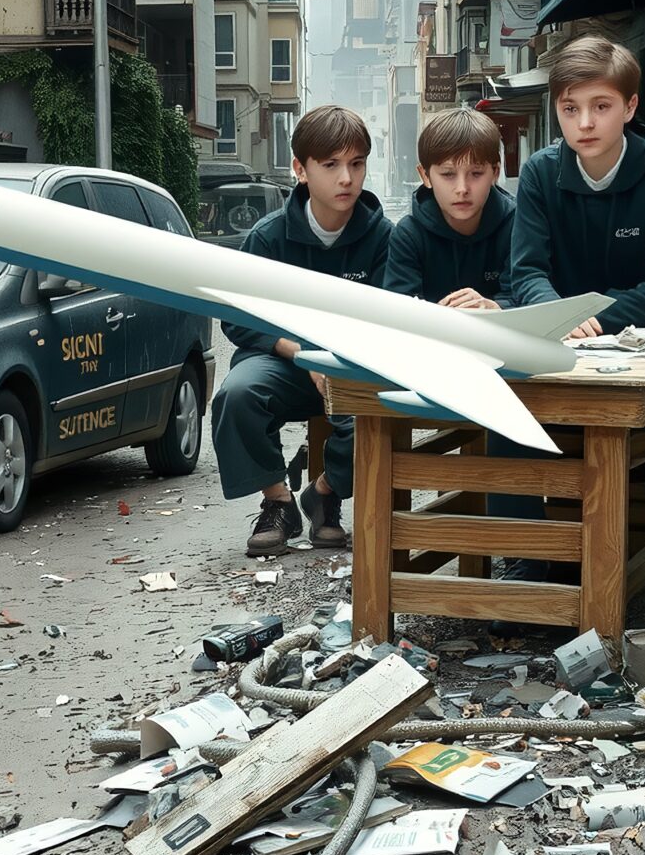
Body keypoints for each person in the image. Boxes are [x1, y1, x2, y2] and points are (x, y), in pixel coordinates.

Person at [494, 36, 645, 587]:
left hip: (637, 347)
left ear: (630, 108)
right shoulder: (538, 173)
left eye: (601, 106)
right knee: (502, 410)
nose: (585, 122)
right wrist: (560, 313)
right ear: (555, 109)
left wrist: (596, 315)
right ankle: (526, 554)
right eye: (570, 108)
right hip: (554, 339)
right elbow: (525, 271)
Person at [210, 105, 393, 556]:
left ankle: (325, 494)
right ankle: (279, 502)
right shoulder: (267, 238)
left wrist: (339, 359)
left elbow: (393, 317)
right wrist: (304, 354)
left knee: (377, 411)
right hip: (282, 364)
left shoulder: (383, 237)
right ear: (300, 169)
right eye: (330, 165)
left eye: (356, 164)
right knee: (235, 396)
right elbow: (237, 318)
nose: (346, 178)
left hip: (354, 364)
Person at [383, 108, 515, 311]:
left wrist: (496, 308)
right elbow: (399, 312)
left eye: (476, 173)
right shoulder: (408, 235)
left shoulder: (517, 226)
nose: (462, 189)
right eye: (448, 174)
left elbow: (528, 295)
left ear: (495, 173)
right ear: (425, 176)